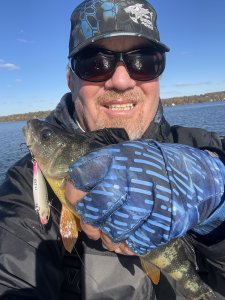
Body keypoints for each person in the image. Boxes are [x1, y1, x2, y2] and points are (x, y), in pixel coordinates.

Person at [1, 0, 225, 299]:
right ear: (70, 78)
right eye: (96, 62)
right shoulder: (25, 188)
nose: (121, 80)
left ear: (159, 75)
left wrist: (219, 205)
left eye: (144, 61)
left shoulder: (209, 148)